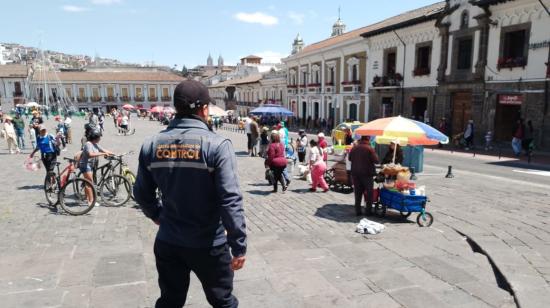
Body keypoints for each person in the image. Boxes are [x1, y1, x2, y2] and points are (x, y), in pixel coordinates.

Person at [133, 80, 246, 308]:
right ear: (204, 109)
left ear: (177, 107)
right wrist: (239, 244)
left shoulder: (151, 144)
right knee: (223, 302)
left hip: (169, 240)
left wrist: (157, 215)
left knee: (170, 301)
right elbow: (230, 200)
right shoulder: (217, 145)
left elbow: (141, 193)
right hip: (209, 244)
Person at [349, 136, 379, 216]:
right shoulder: (369, 149)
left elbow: (350, 158)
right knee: (369, 193)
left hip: (356, 174)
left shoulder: (354, 148)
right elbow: (376, 160)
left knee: (358, 193)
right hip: (367, 174)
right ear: (368, 139)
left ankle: (358, 211)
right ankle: (368, 211)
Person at [79, 131, 113, 204]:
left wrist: (114, 154)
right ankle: (91, 201)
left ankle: (87, 197)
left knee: (87, 182)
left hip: (91, 165)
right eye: (99, 137)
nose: (100, 139)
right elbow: (90, 154)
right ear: (95, 138)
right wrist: (103, 154)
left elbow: (104, 150)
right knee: (89, 182)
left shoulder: (95, 144)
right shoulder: (88, 144)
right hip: (85, 164)